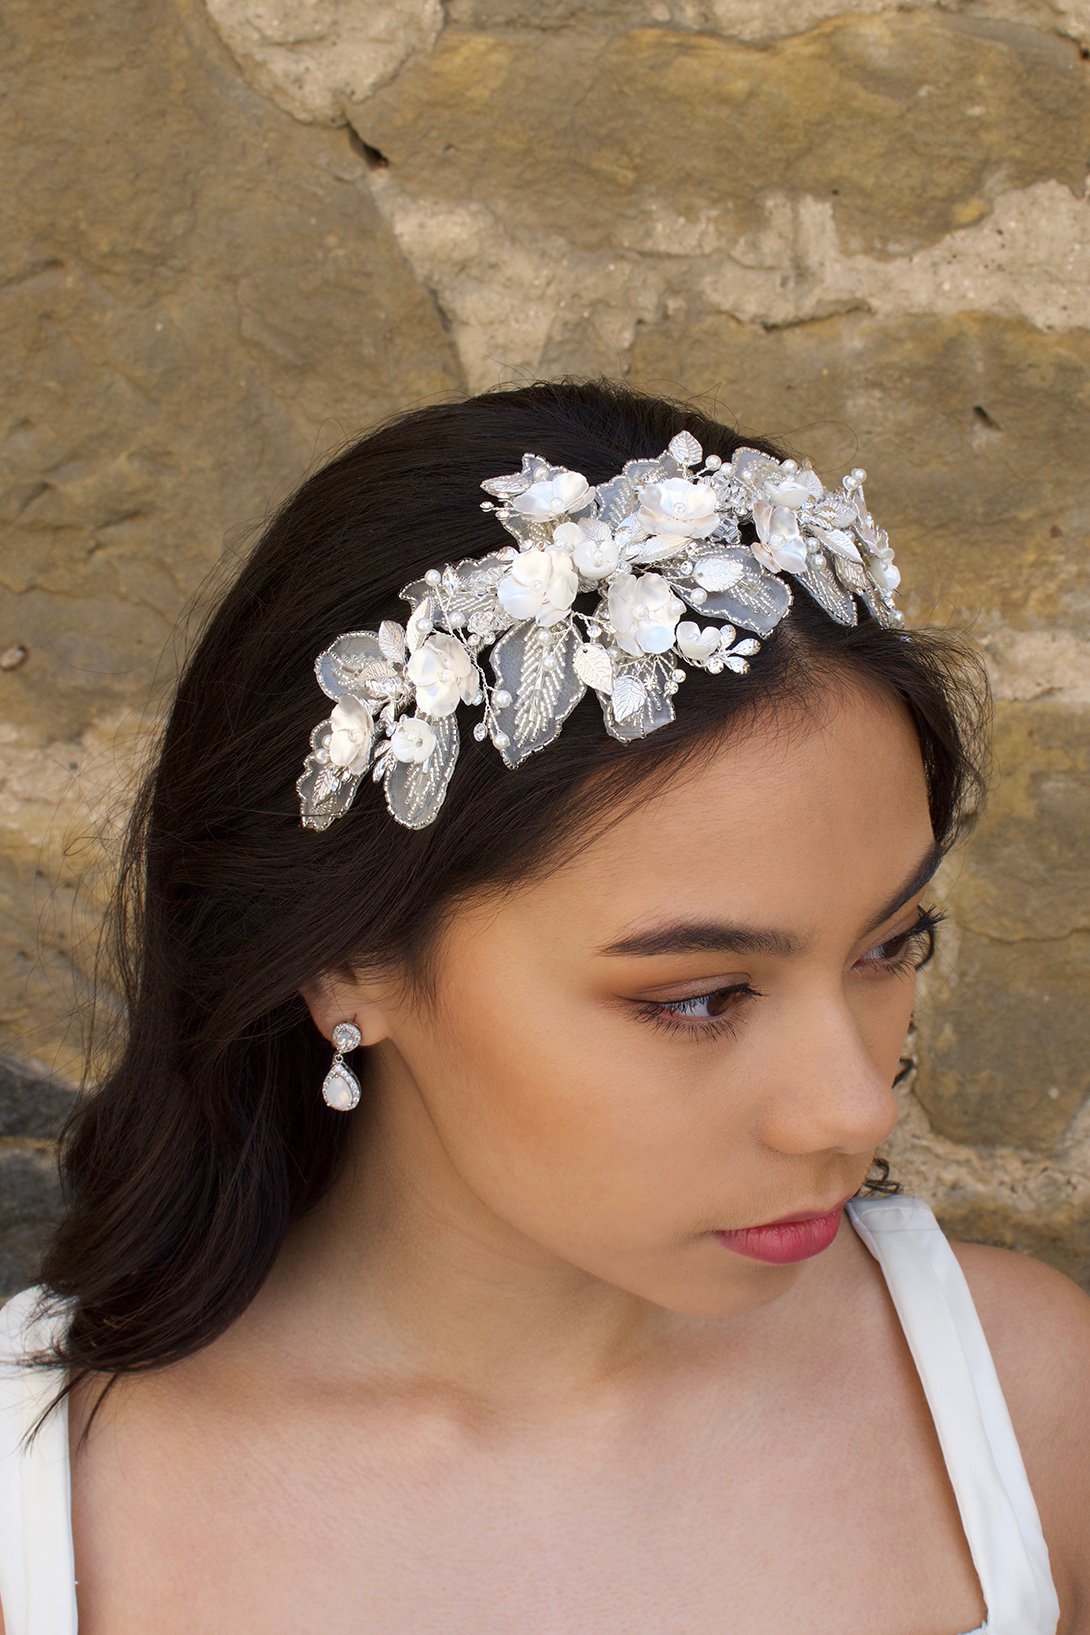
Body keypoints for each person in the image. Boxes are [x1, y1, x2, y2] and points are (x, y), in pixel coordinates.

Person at [0, 378, 1087, 1634]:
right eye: (698, 998)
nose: (849, 1107)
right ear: (347, 955)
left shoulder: (1021, 1404)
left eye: (892, 944)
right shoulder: (51, 1508)